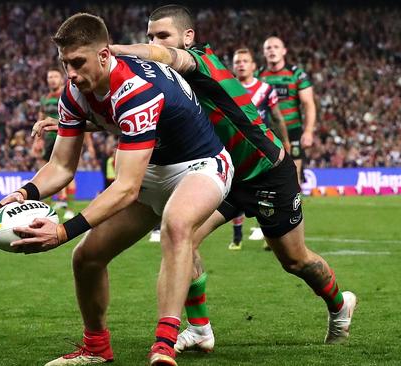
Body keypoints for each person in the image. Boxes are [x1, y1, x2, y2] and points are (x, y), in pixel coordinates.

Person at [0, 13, 233, 366]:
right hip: (152, 172)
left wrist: (63, 231)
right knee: (86, 258)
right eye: (64, 63)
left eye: (77, 63)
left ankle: (163, 346)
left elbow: (127, 188)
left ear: (103, 56)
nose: (70, 73)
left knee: (177, 225)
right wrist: (24, 194)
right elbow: (61, 166)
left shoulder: (135, 89)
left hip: (201, 165)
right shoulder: (74, 93)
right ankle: (96, 348)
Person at [109, 4, 357, 354]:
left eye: (163, 35)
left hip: (266, 170)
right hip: (221, 173)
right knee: (182, 236)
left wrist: (118, 51)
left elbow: (165, 55)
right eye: (149, 35)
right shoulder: (164, 84)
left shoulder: (200, 61)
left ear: (187, 37)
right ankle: (199, 329)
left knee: (295, 260)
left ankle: (338, 304)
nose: (155, 42)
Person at [229, 48, 291, 250]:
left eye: (245, 61)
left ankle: (268, 236)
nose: (241, 64)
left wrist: (286, 142)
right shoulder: (227, 88)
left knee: (265, 195)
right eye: (237, 61)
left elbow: (277, 117)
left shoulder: (265, 89)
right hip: (235, 149)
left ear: (254, 66)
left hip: (260, 150)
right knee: (235, 191)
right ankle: (237, 237)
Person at [34, 67, 96, 219]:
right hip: (49, 140)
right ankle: (46, 208)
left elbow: (81, 119)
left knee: (67, 173)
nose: (52, 80)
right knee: (44, 173)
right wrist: (37, 140)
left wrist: (90, 145)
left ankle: (69, 209)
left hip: (67, 137)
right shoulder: (44, 98)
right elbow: (40, 119)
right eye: (49, 77)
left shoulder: (70, 94)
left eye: (55, 76)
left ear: (61, 79)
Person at [257, 36, 317, 186]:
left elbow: (308, 104)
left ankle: (294, 209)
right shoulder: (258, 76)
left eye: (276, 47)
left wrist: (308, 131)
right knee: (268, 177)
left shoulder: (296, 74)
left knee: (293, 175)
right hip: (268, 133)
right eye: (268, 48)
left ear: (284, 51)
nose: (272, 50)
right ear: (264, 53)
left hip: (293, 131)